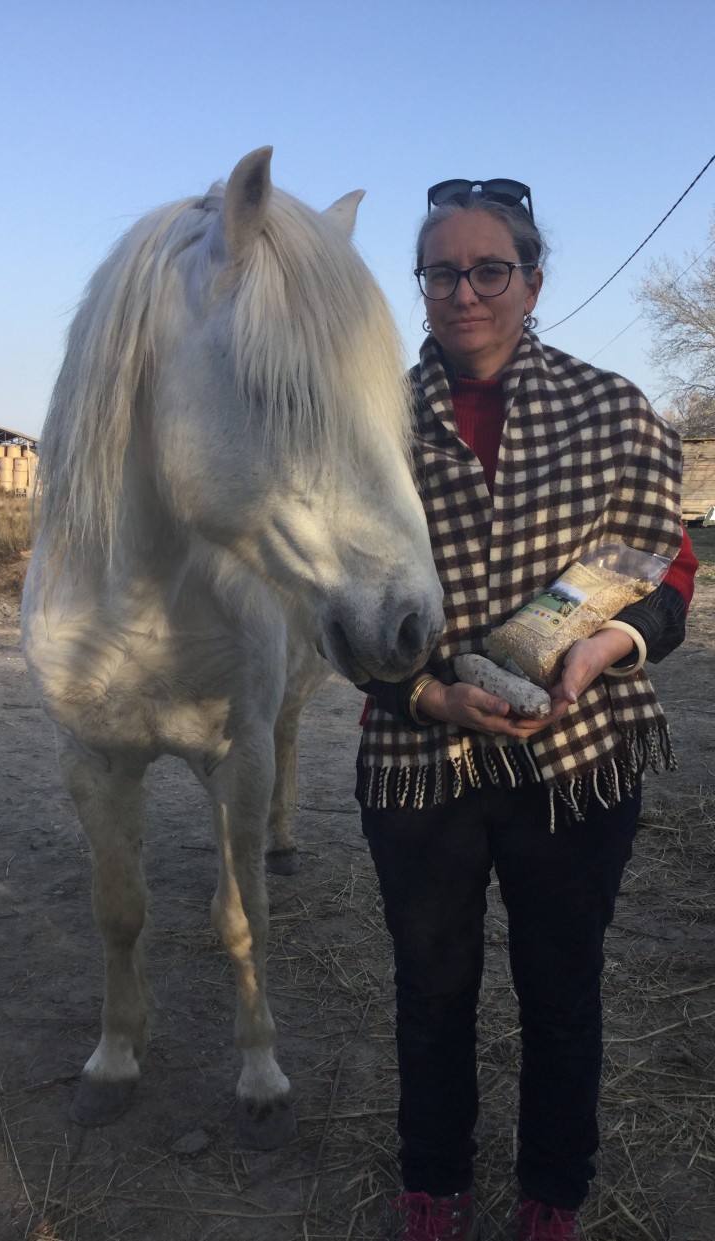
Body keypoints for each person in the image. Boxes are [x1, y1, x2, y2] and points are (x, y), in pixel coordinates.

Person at [355, 178, 698, 1241]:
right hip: (422, 756)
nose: (463, 291)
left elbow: (665, 567)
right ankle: (433, 1179)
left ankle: (552, 1187)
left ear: (532, 280)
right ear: (419, 286)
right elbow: (334, 593)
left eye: (487, 268)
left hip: (578, 751)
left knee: (560, 988)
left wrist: (604, 644)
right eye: (441, 271)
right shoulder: (366, 419)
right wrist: (425, 689)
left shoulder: (610, 407)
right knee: (430, 988)